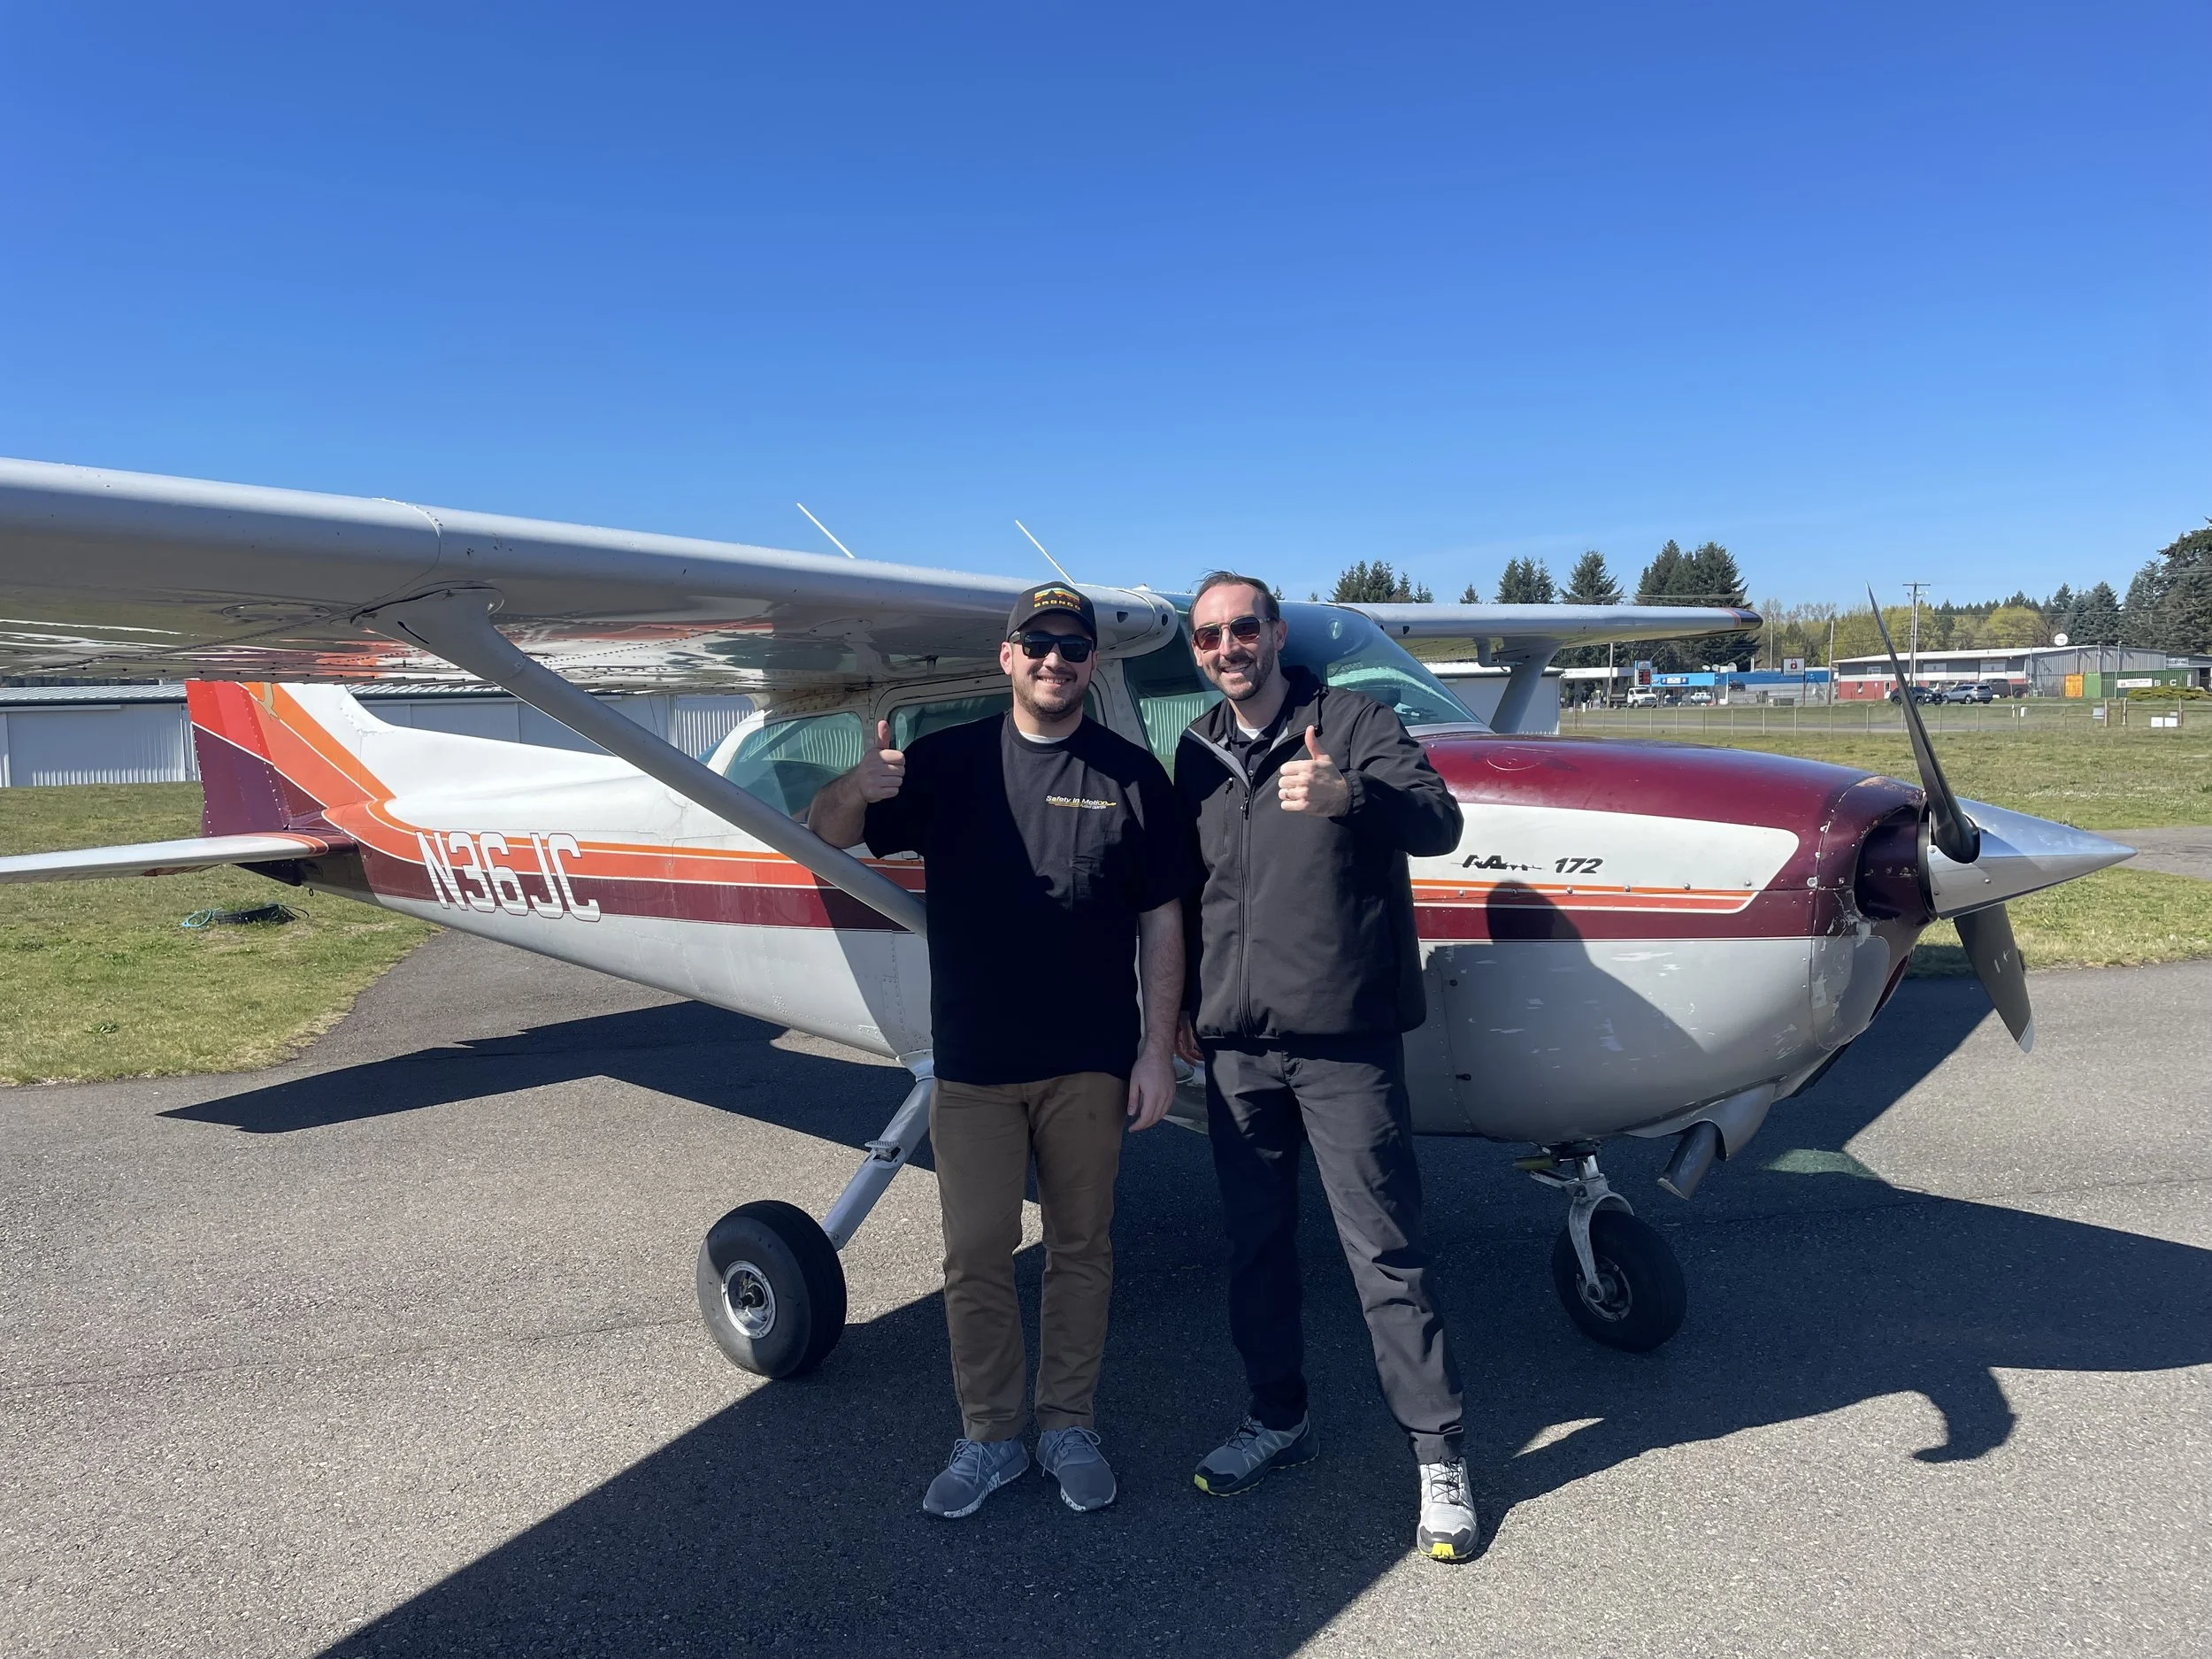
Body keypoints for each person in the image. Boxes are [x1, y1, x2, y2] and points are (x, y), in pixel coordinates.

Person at [808, 582, 1192, 1520]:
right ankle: (989, 1435)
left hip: (1090, 1062)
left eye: (1074, 646)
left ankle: (1068, 1425)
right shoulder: (946, 763)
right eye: (1039, 643)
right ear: (1008, 655)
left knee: (1081, 1249)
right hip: (975, 1066)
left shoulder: (1131, 775)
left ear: (1091, 663)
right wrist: (859, 786)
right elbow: (830, 831)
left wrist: (1155, 1050)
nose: (1056, 659)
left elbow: (1163, 919)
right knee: (976, 1255)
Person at [1171, 572, 1479, 1563]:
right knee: (1255, 1246)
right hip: (1236, 1047)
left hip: (1345, 1041)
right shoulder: (1195, 751)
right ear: (1198, 651)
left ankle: (1438, 1456)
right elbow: (1194, 893)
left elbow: (1439, 821)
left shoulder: (1353, 723)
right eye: (1209, 635)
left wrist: (1355, 796)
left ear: (1274, 633)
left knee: (1385, 1251)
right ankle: (1276, 1417)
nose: (1228, 647)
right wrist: (1180, 1006)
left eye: (1243, 628)